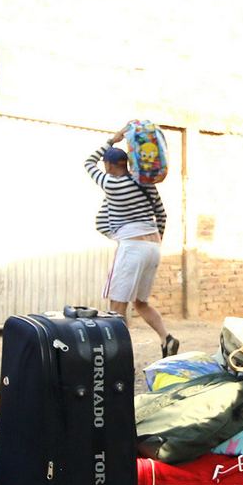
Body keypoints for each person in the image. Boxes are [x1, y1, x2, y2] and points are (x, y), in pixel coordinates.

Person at [85, 141, 178, 358]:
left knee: (117, 304)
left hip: (132, 246)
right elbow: (162, 214)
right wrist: (156, 239)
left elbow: (88, 162)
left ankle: (117, 356)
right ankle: (167, 338)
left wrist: (111, 140)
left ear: (108, 165)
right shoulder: (146, 184)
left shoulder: (111, 184)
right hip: (153, 247)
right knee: (140, 302)